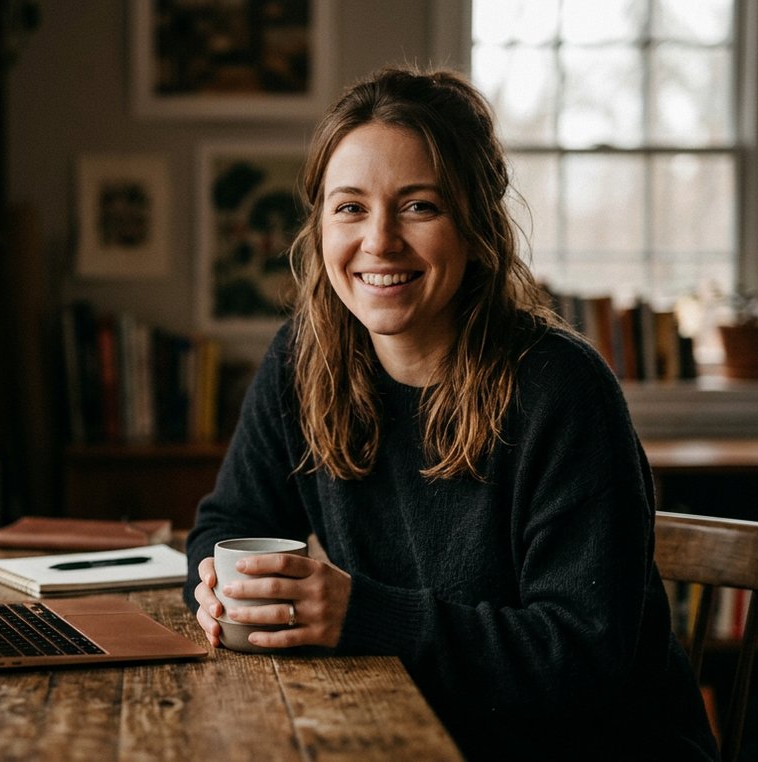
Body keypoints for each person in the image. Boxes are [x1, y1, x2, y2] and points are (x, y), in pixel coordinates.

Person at [183, 67, 721, 761]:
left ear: (477, 226)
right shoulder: (302, 359)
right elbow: (228, 524)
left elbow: (583, 656)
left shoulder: (561, 389)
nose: (380, 241)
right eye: (350, 207)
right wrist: (216, 587)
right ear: (319, 226)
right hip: (416, 734)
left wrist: (361, 616)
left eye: (420, 206)